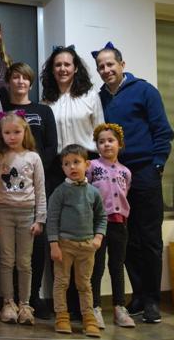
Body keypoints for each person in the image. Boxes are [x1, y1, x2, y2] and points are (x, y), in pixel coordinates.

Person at [93, 42, 174, 324]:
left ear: (122, 64)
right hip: (114, 176)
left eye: (110, 64)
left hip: (145, 172)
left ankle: (152, 300)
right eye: (101, 66)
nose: (106, 70)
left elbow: (163, 131)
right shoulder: (99, 98)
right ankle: (138, 295)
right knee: (125, 239)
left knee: (149, 238)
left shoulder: (145, 91)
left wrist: (157, 166)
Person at [41, 45, 104, 318]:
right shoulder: (47, 100)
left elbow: (101, 130)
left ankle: (91, 307)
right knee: (61, 232)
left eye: (67, 64)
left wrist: (98, 167)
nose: (63, 69)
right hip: (57, 167)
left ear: (75, 67)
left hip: (86, 162)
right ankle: (63, 308)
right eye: (57, 65)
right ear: (52, 70)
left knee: (87, 231)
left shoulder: (90, 95)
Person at [2, 62, 57, 319]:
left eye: (25, 78)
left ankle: (32, 298)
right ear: (9, 81)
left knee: (34, 247)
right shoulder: (3, 110)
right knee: (9, 252)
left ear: (31, 83)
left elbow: (51, 146)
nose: (20, 82)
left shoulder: (43, 111)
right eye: (16, 77)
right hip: (7, 189)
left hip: (36, 186)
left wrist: (33, 169)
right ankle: (10, 300)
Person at [0, 111, 46, 325]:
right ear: (1, 134)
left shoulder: (33, 157)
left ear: (25, 132)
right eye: (7, 132)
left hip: (27, 215)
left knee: (24, 263)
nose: (12, 136)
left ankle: (25, 305)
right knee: (6, 260)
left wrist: (40, 219)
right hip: (3, 213)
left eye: (17, 132)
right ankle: (8, 303)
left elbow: (40, 190)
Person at [47, 144, 106, 338]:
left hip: (87, 246)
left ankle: (89, 319)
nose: (72, 167)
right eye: (66, 164)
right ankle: (62, 316)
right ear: (62, 168)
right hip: (64, 245)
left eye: (76, 162)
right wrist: (54, 244)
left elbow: (101, 217)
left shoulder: (93, 192)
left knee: (84, 284)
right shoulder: (60, 192)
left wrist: (98, 238)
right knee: (61, 282)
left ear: (87, 164)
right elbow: (52, 218)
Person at [86, 123, 135, 329]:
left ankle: (119, 308)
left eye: (111, 141)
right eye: (102, 141)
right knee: (96, 267)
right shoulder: (92, 167)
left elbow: (126, 194)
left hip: (119, 225)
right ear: (97, 146)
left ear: (120, 144)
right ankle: (95, 307)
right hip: (98, 225)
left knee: (116, 266)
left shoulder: (126, 172)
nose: (106, 145)